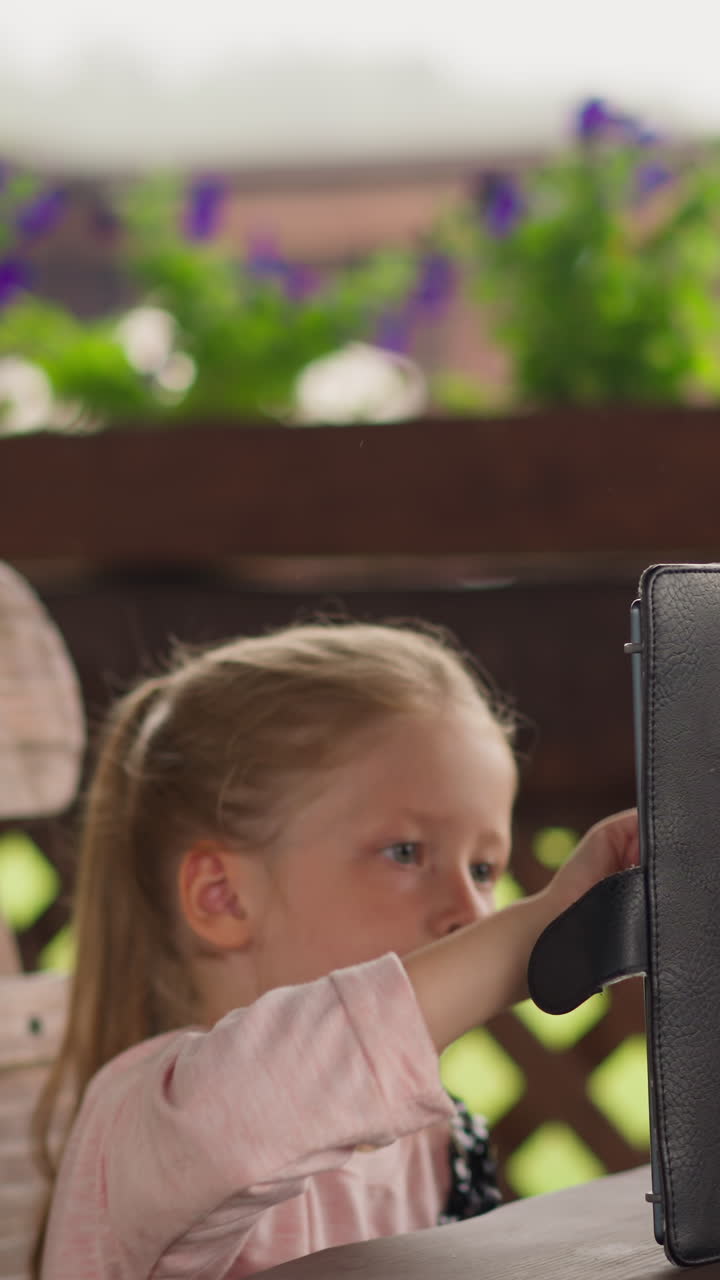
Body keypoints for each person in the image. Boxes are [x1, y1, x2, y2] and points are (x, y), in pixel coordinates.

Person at [33, 620, 638, 1280]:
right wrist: (531, 932)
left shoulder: (434, 1145)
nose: (472, 911)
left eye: (486, 869)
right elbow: (259, 1105)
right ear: (223, 897)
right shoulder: (148, 1121)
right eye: (406, 852)